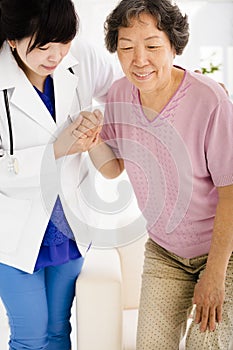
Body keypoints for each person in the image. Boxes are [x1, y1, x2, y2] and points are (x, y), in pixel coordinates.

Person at [76, 0, 233, 349]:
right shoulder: (118, 95)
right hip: (165, 253)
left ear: (174, 46)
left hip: (224, 255)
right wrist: (93, 143)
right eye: (126, 47)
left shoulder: (210, 101)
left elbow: (231, 191)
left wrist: (215, 275)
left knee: (204, 346)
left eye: (151, 46)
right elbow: (113, 168)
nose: (139, 60)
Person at [0, 0, 118, 349]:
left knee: (57, 330)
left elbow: (124, 94)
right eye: (42, 45)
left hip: (68, 224)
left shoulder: (77, 54)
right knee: (30, 337)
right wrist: (57, 149)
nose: (55, 55)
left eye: (63, 42)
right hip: (13, 232)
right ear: (12, 40)